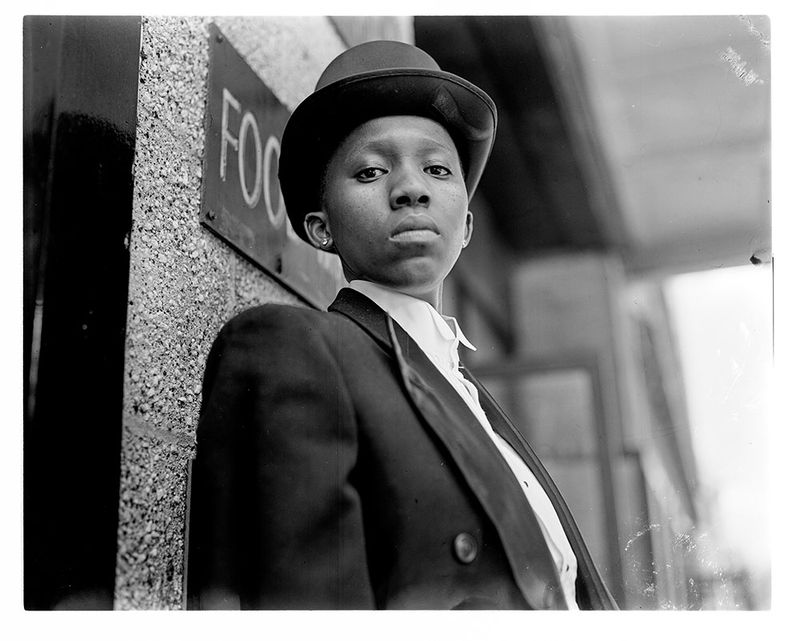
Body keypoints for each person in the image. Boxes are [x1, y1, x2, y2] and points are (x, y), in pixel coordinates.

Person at [186, 40, 617, 610]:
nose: (411, 188)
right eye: (370, 171)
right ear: (320, 228)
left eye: (437, 168)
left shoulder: (468, 391)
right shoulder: (295, 347)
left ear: (465, 225)